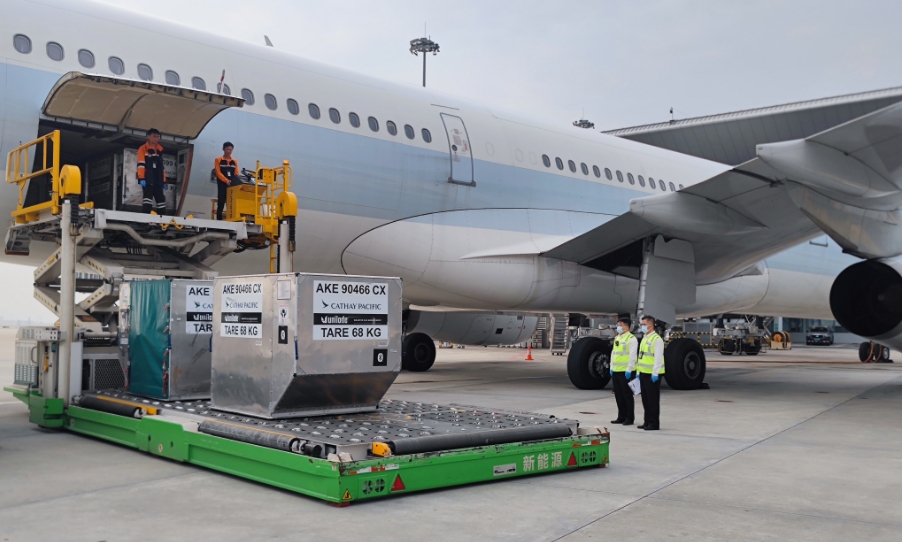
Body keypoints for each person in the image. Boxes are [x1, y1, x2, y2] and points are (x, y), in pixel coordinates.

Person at [636, 315, 665, 430]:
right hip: (643, 372)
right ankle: (647, 421)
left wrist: (655, 373)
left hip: (652, 374)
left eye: (644, 324)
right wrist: (638, 371)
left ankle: (654, 423)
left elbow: (658, 358)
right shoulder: (645, 338)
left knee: (653, 400)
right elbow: (641, 356)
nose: (642, 326)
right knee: (645, 399)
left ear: (651, 325)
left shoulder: (656, 339)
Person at [609, 316, 638, 425]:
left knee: (627, 395)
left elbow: (632, 355)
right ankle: (621, 416)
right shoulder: (618, 338)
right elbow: (614, 353)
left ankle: (629, 418)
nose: (619, 327)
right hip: (616, 370)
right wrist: (611, 367)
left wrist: (629, 369)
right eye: (618, 325)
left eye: (621, 325)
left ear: (627, 327)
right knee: (618, 395)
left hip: (626, 371)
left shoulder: (631, 339)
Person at [137, 128, 167, 214]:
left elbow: (162, 168)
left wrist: (164, 180)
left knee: (161, 199)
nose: (156, 139)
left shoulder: (159, 150)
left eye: (158, 137)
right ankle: (145, 220)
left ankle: (162, 221)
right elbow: (141, 164)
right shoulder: (143, 149)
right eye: (154, 136)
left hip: (158, 178)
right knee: (147, 199)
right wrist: (141, 178)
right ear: (148, 137)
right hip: (148, 177)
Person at [213, 142, 239, 220]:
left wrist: (235, 181)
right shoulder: (218, 160)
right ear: (223, 149)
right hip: (222, 184)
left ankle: (230, 220)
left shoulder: (234, 161)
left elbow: (236, 172)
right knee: (221, 202)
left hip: (232, 185)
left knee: (231, 203)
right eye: (227, 149)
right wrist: (226, 180)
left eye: (230, 149)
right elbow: (218, 172)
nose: (229, 151)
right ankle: (219, 221)